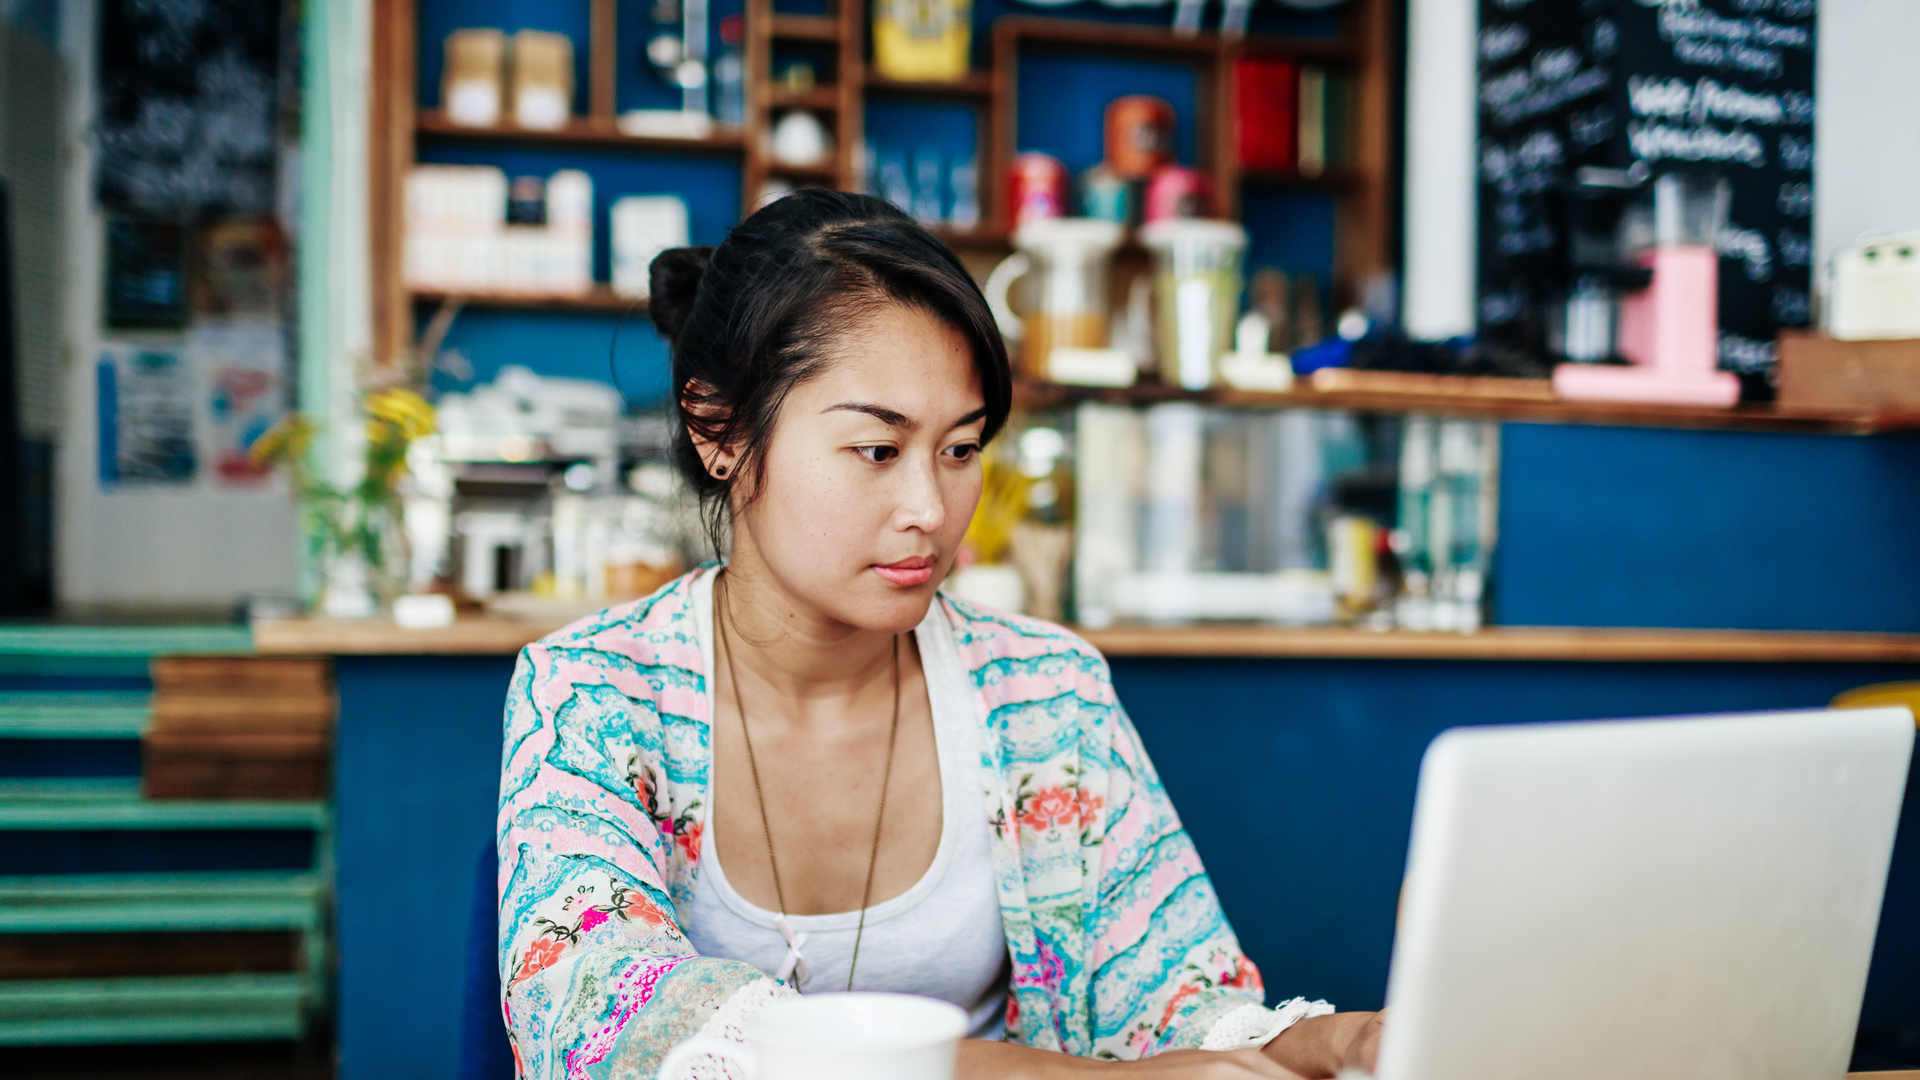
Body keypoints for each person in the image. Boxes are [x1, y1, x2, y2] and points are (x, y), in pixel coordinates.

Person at [497, 190, 1384, 1080]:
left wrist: (1330, 1043)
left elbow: (1172, 1004)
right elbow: (608, 1025)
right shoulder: (590, 692)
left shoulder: (1046, 690)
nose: (931, 509)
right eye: (878, 451)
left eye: (960, 450)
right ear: (718, 426)